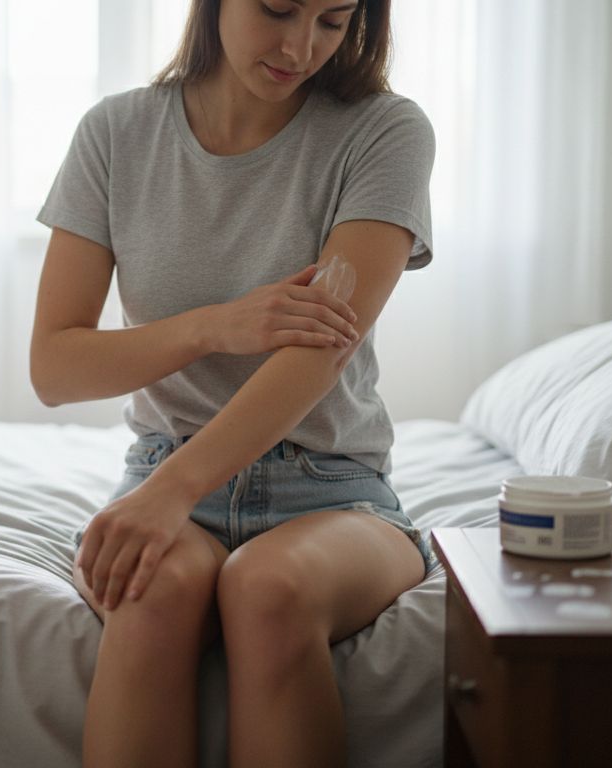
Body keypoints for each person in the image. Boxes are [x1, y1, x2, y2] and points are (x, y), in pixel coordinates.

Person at [30, 0, 434, 765]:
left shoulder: (385, 131)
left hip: (333, 487)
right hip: (163, 471)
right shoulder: (115, 134)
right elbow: (55, 368)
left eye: (333, 20)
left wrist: (172, 491)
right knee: (147, 595)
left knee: (268, 589)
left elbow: (320, 351)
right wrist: (214, 326)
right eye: (278, 9)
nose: (301, 46)